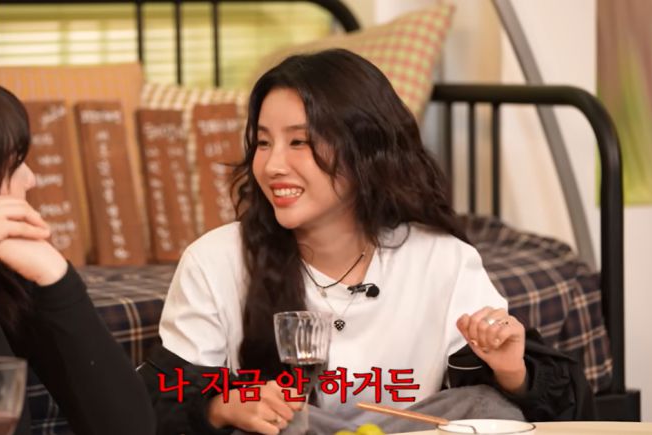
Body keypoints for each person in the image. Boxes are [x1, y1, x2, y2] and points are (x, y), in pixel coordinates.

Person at [139, 49, 593, 435]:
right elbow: (154, 398)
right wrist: (223, 406)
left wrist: (512, 370)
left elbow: (557, 405)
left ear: (365, 150)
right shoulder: (215, 261)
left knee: (489, 407)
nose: (273, 165)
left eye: (299, 142)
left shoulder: (443, 259)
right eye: (262, 142)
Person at [0, 69, 155, 434]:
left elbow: (128, 428)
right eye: (14, 165)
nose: (31, 179)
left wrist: (57, 278)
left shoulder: (2, 278)